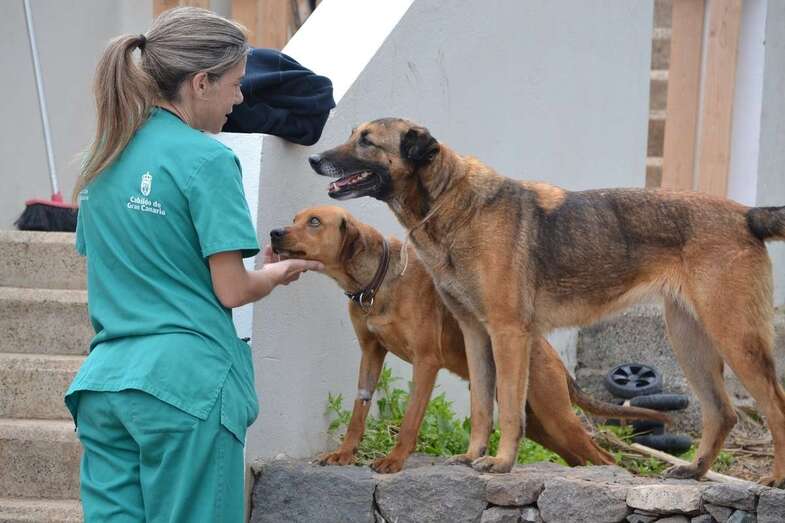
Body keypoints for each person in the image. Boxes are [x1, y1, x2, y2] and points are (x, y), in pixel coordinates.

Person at [64, 7, 322, 522]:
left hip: (105, 387)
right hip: (186, 390)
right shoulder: (208, 160)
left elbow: (128, 261)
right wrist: (273, 274)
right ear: (201, 83)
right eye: (235, 84)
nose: (241, 98)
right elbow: (230, 290)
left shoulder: (105, 154)